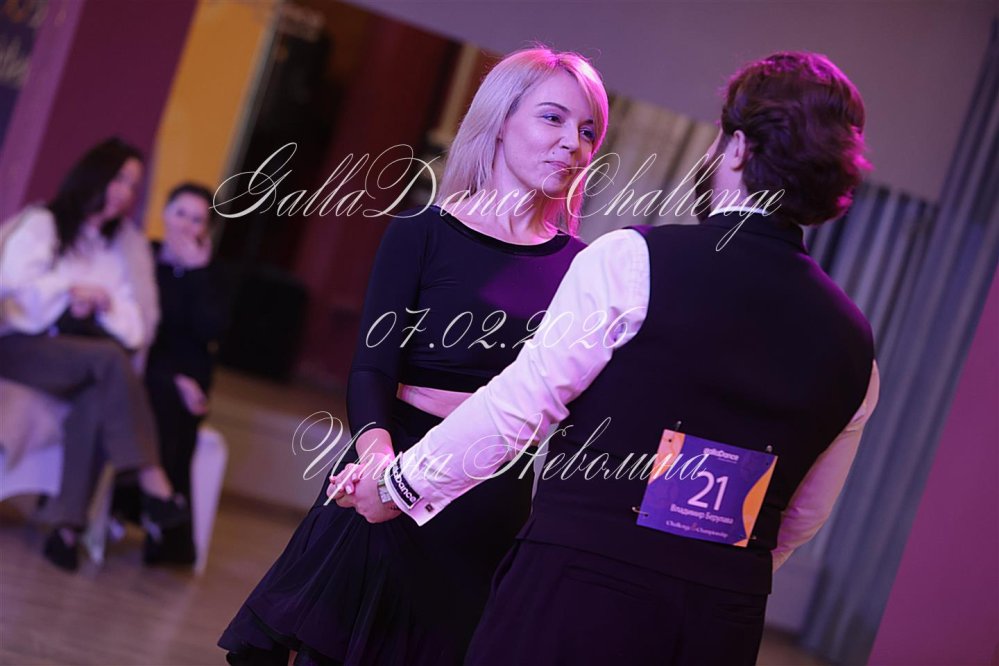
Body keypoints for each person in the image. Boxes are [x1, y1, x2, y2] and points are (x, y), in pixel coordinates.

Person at [344, 52, 880, 666]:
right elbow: (802, 516)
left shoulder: (631, 260)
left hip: (574, 595)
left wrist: (401, 484)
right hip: (721, 621)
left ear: (737, 148)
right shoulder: (856, 344)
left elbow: (521, 406)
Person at [219, 47, 609, 665]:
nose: (573, 144)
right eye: (553, 118)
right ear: (501, 121)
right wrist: (378, 459)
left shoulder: (582, 268)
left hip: (489, 493)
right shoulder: (421, 232)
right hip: (394, 460)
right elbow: (373, 366)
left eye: (588, 131)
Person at [0, 137, 191, 571]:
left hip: (74, 356)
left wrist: (103, 305)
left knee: (96, 392)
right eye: (120, 178)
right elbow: (13, 286)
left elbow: (135, 326)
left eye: (134, 185)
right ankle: (154, 483)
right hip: (17, 345)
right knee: (108, 361)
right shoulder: (44, 222)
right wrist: (69, 292)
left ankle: (66, 529)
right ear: (97, 174)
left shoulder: (116, 248)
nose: (126, 191)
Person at [115, 182, 227, 566]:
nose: (186, 225)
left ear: (206, 229)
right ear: (164, 213)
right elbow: (142, 331)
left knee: (175, 408)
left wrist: (196, 273)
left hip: (193, 374)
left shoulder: (212, 273)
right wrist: (176, 379)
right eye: (180, 213)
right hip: (149, 365)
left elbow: (211, 331)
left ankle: (137, 507)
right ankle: (159, 512)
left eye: (197, 220)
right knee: (163, 395)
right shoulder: (144, 258)